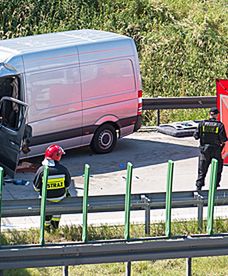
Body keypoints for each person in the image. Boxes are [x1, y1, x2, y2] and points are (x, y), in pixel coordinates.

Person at [33, 144, 71, 231]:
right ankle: (55, 226)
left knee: (44, 205)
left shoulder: (41, 170)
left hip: (45, 200)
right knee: (60, 203)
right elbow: (67, 185)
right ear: (57, 156)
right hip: (60, 198)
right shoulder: (63, 169)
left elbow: (36, 188)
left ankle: (46, 227)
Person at [194, 107, 227, 191]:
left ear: (210, 114)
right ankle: (214, 188)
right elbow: (223, 139)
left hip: (204, 151)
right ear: (216, 115)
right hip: (216, 151)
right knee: (217, 171)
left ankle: (199, 189)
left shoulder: (202, 124)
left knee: (202, 171)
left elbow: (196, 136)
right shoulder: (220, 125)